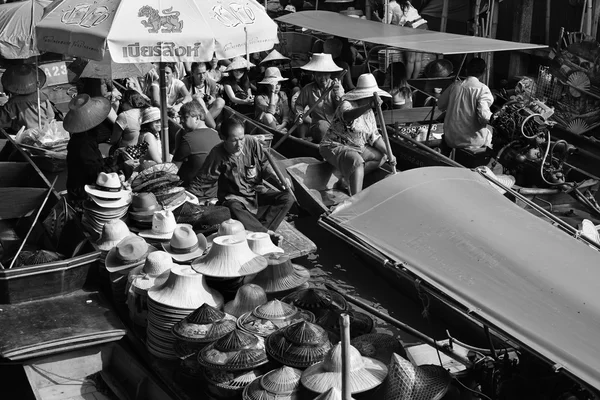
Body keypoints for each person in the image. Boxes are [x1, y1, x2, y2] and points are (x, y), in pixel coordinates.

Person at [198, 118, 294, 234]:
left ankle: (260, 230)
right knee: (232, 206)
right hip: (235, 200)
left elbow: (264, 164)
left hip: (255, 194)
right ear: (223, 137)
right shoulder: (217, 154)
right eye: (234, 140)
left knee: (287, 198)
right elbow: (203, 180)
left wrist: (278, 178)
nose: (239, 144)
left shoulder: (251, 142)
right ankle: (264, 232)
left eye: (241, 139)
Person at [319, 73, 396, 195]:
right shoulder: (347, 104)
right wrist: (368, 106)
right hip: (334, 145)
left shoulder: (370, 112)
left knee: (382, 156)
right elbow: (348, 116)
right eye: (370, 97)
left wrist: (390, 153)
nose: (372, 100)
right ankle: (356, 200)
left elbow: (374, 137)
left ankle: (346, 180)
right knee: (357, 162)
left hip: (357, 147)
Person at [65, 94, 122, 203]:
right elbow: (97, 173)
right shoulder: (83, 144)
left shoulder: (84, 139)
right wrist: (120, 164)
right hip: (83, 194)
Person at [437, 58, 494, 154]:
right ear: (484, 72)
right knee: (490, 131)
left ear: (467, 70)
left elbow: (440, 104)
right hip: (471, 141)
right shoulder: (483, 89)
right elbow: (484, 116)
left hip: (451, 137)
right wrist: (495, 118)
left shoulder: (455, 86)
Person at [295, 53, 344, 142]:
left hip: (336, 126)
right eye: (319, 75)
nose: (322, 78)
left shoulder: (336, 86)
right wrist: (300, 115)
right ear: (314, 75)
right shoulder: (308, 89)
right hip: (318, 128)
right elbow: (299, 105)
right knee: (322, 126)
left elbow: (342, 107)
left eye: (325, 74)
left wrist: (337, 93)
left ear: (330, 74)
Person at [173, 101, 221, 192]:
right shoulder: (216, 134)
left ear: (197, 118)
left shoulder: (188, 139)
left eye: (185, 117)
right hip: (214, 190)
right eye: (180, 117)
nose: (181, 121)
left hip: (192, 190)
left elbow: (173, 170)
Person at [376, 0, 428, 79]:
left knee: (410, 60)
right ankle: (414, 83)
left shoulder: (390, 5)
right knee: (417, 59)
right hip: (423, 26)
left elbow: (386, 23)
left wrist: (376, 17)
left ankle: (407, 83)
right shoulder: (406, 2)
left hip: (411, 28)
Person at [0, 64, 55, 132]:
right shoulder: (41, 96)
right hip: (45, 131)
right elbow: (51, 115)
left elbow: (2, 121)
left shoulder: (12, 103)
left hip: (24, 135)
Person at [254, 67, 291, 133]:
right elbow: (271, 111)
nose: (276, 86)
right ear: (267, 85)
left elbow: (286, 115)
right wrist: (272, 92)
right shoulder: (260, 98)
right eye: (274, 84)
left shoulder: (282, 95)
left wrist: (282, 126)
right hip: (265, 129)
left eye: (278, 83)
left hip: (280, 127)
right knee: (268, 116)